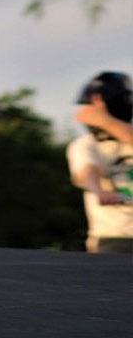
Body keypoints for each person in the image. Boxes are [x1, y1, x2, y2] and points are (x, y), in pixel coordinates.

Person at [66, 71, 133, 254]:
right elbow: (86, 170)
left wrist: (105, 121)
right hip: (115, 238)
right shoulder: (87, 144)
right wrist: (98, 190)